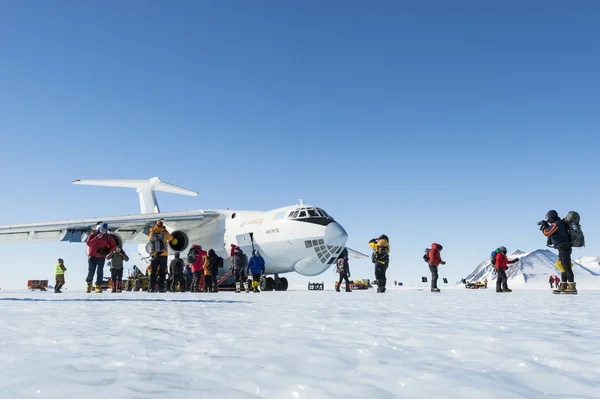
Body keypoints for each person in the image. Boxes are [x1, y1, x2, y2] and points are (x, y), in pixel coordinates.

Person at [540, 210, 576, 293]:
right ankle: (563, 285)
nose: (548, 219)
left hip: (564, 247)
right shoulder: (557, 223)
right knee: (562, 266)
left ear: (551, 216)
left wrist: (544, 227)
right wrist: (547, 225)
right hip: (562, 247)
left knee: (566, 267)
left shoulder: (558, 223)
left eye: (548, 217)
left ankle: (572, 286)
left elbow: (547, 232)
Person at [86, 222, 116, 293]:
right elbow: (89, 243)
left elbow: (113, 245)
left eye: (104, 230)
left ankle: (98, 286)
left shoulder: (108, 237)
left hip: (101, 257)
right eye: (102, 229)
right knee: (91, 271)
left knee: (100, 272)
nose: (103, 231)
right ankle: (89, 284)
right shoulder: (93, 235)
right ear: (100, 228)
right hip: (92, 256)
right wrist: (96, 238)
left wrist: (107, 251)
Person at [148, 220, 173, 293]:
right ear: (162, 225)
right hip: (163, 255)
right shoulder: (165, 233)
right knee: (162, 272)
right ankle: (161, 288)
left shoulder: (152, 232)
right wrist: (165, 230)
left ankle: (152, 287)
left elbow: (149, 239)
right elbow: (171, 238)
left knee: (153, 272)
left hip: (154, 255)